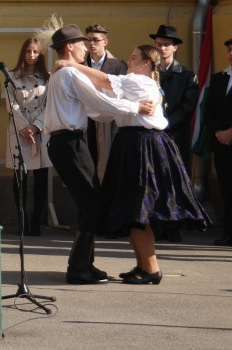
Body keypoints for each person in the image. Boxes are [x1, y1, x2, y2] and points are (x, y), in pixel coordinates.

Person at [54, 45, 209, 284]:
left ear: (146, 63)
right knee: (130, 210)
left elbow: (106, 80)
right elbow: (105, 103)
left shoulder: (140, 81)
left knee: (138, 210)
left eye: (134, 57)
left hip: (143, 146)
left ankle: (151, 269)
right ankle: (143, 266)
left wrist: (72, 65)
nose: (129, 60)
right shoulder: (136, 82)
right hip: (132, 144)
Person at [40, 21, 155, 284]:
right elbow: (98, 102)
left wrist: (124, 112)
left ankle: (84, 264)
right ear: (70, 47)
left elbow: (96, 112)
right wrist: (134, 107)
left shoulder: (64, 74)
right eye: (82, 44)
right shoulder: (69, 74)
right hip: (69, 143)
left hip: (68, 142)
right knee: (92, 204)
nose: (85, 48)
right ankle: (78, 267)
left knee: (89, 203)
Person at [150, 24, 198, 242]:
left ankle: (175, 225)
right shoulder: (149, 72)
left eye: (167, 45)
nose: (162, 49)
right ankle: (157, 224)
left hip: (174, 135)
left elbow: (188, 108)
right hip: (152, 134)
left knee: (176, 181)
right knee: (155, 180)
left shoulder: (187, 75)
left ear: (175, 48)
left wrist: (165, 124)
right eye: (159, 44)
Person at [4, 37, 50, 236]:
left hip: (41, 129)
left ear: (40, 55)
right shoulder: (12, 77)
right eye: (28, 51)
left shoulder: (48, 78)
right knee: (20, 177)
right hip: (19, 128)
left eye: (35, 52)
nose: (31, 55)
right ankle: (21, 220)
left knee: (41, 177)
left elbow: (50, 105)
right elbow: (11, 105)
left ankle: (36, 221)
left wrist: (36, 126)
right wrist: (25, 127)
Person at [84, 24, 127, 182]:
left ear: (105, 42)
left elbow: (122, 94)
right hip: (85, 119)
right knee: (87, 162)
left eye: (95, 40)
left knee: (108, 163)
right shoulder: (80, 64)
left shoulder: (118, 65)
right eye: (88, 40)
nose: (91, 44)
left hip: (109, 122)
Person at [206, 37, 232, 246]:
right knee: (226, 189)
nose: (231, 54)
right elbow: (210, 110)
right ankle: (228, 232)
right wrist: (218, 132)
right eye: (229, 50)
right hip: (222, 145)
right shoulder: (219, 79)